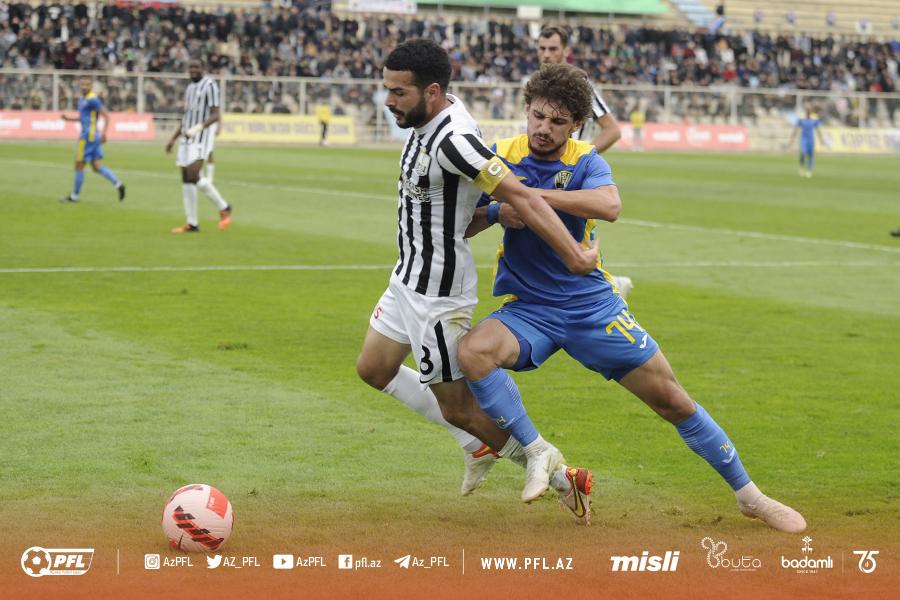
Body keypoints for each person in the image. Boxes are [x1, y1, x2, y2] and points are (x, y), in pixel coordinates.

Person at [458, 63, 807, 534]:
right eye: (537, 116)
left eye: (557, 121)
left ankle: (750, 496)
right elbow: (463, 224)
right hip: (531, 310)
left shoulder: (585, 160)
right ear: (526, 109)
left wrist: (528, 197)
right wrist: (499, 209)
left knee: (673, 401)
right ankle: (540, 454)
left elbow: (610, 206)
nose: (543, 128)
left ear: (576, 125)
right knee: (474, 353)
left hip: (592, 308)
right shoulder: (498, 156)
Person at [355, 39, 596, 519]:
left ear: (432, 92)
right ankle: (477, 445)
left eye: (399, 92)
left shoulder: (455, 142)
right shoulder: (429, 118)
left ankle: (558, 472)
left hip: (437, 292)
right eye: (388, 89)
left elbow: (523, 197)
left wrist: (574, 256)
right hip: (407, 276)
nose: (389, 101)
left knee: (459, 407)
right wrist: (494, 212)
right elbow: (481, 202)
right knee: (374, 369)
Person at [536, 26, 632, 299]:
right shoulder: (537, 84)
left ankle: (607, 289)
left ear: (565, 51)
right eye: (542, 48)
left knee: (571, 238)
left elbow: (612, 129)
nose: (546, 54)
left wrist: (580, 158)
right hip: (543, 169)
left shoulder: (580, 86)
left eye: (553, 49)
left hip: (568, 177)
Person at [165, 60, 232, 233]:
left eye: (196, 67)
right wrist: (173, 139)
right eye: (191, 67)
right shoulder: (189, 88)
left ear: (203, 69)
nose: (193, 70)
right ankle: (192, 223)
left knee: (193, 174)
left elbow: (216, 114)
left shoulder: (210, 85)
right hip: (186, 138)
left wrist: (198, 128)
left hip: (201, 138)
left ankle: (224, 207)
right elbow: (186, 117)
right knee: (186, 178)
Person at [60, 76, 125, 203]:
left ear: (91, 86)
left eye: (87, 85)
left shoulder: (92, 99)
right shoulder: (82, 100)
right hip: (93, 136)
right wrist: (69, 119)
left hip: (87, 137)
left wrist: (104, 133)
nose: (84, 87)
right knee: (96, 166)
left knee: (79, 165)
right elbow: (83, 118)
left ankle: (74, 196)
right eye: (82, 85)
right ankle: (118, 184)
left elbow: (106, 115)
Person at [785, 103, 827, 178]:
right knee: (803, 153)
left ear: (811, 110)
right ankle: (801, 167)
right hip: (803, 138)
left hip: (811, 139)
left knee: (810, 155)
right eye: (807, 109)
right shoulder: (801, 118)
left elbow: (818, 130)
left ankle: (809, 170)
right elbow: (796, 129)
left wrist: (821, 139)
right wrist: (792, 139)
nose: (808, 110)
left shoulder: (815, 118)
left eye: (809, 109)